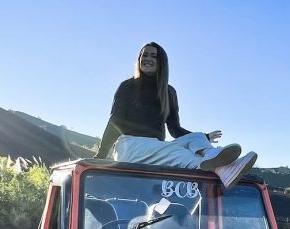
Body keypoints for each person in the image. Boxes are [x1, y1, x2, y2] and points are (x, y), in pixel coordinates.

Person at [94, 42, 257, 189]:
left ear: (161, 62)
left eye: (153, 56)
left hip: (156, 147)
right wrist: (101, 156)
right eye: (144, 55)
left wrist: (204, 137)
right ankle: (225, 169)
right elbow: (115, 121)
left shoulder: (169, 92)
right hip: (131, 147)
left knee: (196, 137)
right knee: (185, 156)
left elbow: (174, 129)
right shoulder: (128, 86)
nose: (147, 58)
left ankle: (215, 160)